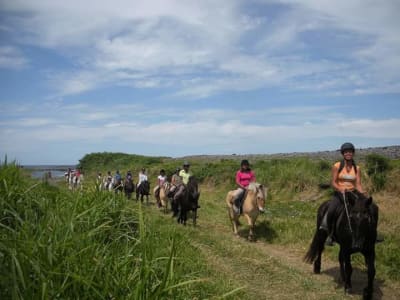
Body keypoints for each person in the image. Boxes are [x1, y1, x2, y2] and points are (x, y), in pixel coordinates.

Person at [320, 142, 366, 245]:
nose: (348, 154)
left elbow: (358, 184)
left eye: (350, 152)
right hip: (340, 194)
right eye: (346, 152)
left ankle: (372, 234)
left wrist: (362, 191)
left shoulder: (357, 168)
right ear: (343, 154)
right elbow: (333, 182)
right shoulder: (337, 166)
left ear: (353, 153)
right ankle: (331, 235)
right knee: (331, 210)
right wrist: (340, 188)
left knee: (371, 208)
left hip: (353, 193)